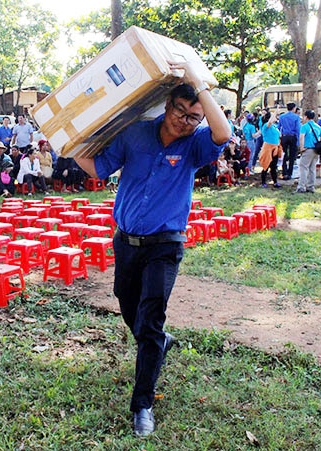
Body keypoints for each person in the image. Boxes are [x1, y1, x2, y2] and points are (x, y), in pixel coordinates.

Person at [74, 61, 231, 437]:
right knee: (129, 305)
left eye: (194, 117)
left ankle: (142, 404)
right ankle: (158, 342)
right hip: (126, 242)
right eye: (180, 111)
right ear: (167, 105)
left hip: (166, 244)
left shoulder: (195, 146)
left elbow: (222, 133)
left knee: (150, 315)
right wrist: (68, 141)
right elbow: (98, 169)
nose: (185, 121)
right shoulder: (136, 135)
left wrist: (199, 87)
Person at [296, 110, 321, 193]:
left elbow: (301, 137)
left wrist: (302, 148)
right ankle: (311, 187)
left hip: (308, 149)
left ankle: (301, 187)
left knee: (304, 168)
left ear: (306, 117)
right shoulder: (317, 126)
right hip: (316, 150)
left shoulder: (304, 126)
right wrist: (320, 142)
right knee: (312, 169)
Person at [258, 109, 282, 188]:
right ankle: (263, 182)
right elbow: (269, 122)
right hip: (268, 148)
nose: (276, 117)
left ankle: (275, 182)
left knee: (274, 166)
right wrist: (275, 111)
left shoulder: (275, 127)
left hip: (275, 148)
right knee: (266, 165)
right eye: (274, 116)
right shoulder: (266, 126)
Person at [278, 102, 301, 180]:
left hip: (284, 137)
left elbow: (278, 127)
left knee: (283, 154)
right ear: (294, 108)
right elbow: (298, 129)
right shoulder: (296, 117)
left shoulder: (282, 116)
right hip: (293, 137)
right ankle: (290, 173)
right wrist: (298, 141)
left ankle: (284, 172)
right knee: (292, 155)